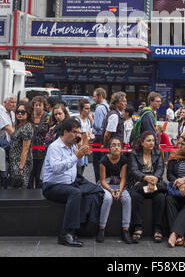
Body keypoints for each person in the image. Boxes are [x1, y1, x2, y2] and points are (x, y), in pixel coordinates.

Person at [42, 118, 104, 247]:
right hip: (53, 185)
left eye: (79, 133)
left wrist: (82, 152)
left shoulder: (72, 145)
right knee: (75, 193)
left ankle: (83, 227)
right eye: (75, 132)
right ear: (65, 132)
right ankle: (66, 233)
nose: (77, 135)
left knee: (96, 190)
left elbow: (80, 164)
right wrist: (76, 156)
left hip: (71, 182)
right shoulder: (55, 147)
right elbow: (56, 168)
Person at [128, 131, 166, 243]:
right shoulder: (134, 154)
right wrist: (146, 178)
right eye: (148, 140)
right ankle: (138, 227)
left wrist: (153, 180)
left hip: (154, 182)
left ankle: (158, 228)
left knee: (160, 197)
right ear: (142, 142)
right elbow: (134, 170)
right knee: (135, 195)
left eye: (153, 140)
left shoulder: (158, 153)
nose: (151, 143)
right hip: (139, 182)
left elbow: (160, 169)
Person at [97, 137, 132, 244]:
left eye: (118, 145)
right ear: (109, 148)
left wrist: (119, 191)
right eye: (114, 145)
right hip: (106, 184)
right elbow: (102, 180)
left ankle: (125, 230)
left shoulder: (124, 160)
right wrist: (111, 191)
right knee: (108, 199)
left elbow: (123, 179)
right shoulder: (104, 160)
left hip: (119, 183)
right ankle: (101, 229)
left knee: (127, 198)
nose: (116, 147)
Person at [8, 102, 34, 189]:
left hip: (21, 163)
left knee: (20, 189)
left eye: (23, 112)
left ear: (28, 113)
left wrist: (21, 168)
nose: (19, 114)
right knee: (14, 189)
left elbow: (25, 149)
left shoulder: (27, 127)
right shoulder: (19, 125)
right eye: (17, 111)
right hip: (14, 161)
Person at [28, 96, 49, 189]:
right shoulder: (29, 116)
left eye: (40, 105)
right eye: (36, 105)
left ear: (44, 106)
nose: (37, 107)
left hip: (42, 149)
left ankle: (39, 194)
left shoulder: (48, 117)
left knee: (39, 173)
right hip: (29, 148)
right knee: (29, 173)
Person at [92, 87, 109, 183]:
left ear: (100, 96)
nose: (93, 98)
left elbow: (98, 126)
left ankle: (99, 184)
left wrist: (92, 122)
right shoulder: (108, 107)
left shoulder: (99, 108)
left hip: (98, 138)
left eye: (94, 96)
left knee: (97, 165)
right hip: (105, 138)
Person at [76, 99, 94, 176]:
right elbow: (77, 136)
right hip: (78, 149)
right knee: (77, 172)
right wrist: (88, 137)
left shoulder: (88, 121)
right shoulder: (76, 120)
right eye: (86, 108)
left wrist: (89, 137)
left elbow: (91, 134)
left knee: (82, 171)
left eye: (89, 108)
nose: (88, 111)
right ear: (80, 109)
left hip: (85, 148)